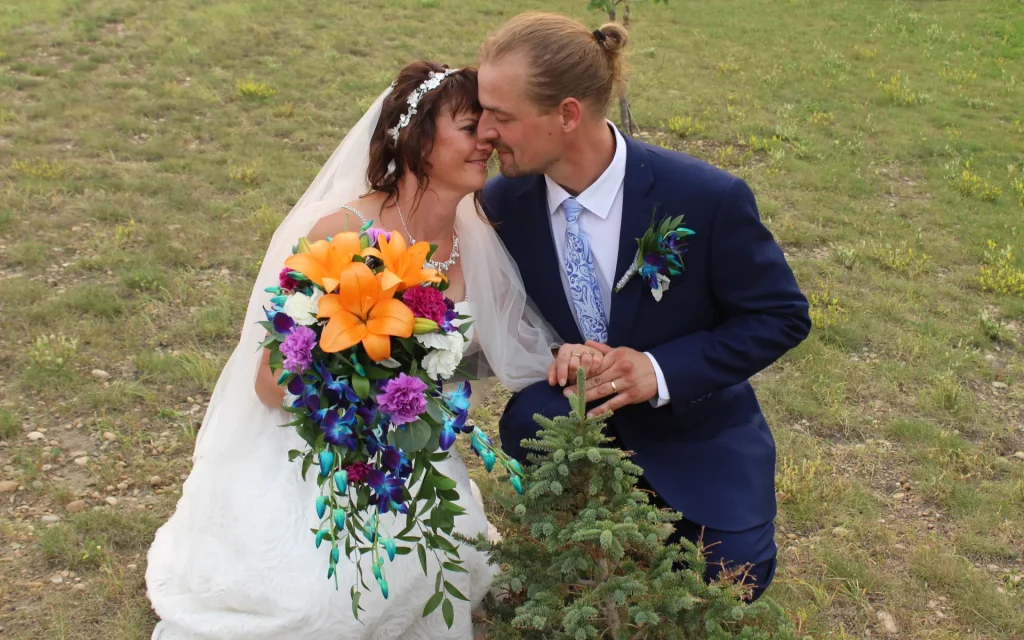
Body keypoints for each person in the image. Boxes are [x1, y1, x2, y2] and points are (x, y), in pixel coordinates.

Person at [145, 61, 558, 640]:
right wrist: (363, 377)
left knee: (438, 570)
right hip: (321, 448)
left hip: (411, 454)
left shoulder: (477, 237)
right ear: (417, 141)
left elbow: (500, 350)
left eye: (491, 127)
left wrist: (569, 361)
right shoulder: (339, 233)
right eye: (471, 128)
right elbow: (269, 385)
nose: (489, 140)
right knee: (315, 607)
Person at [477, 12, 811, 601]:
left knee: (730, 582)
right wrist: (563, 352)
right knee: (528, 422)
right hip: (581, 417)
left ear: (568, 114)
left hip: (699, 424)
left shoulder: (707, 198)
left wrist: (656, 371)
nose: (484, 131)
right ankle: (583, 540)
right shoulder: (502, 203)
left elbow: (781, 316)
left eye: (501, 117)